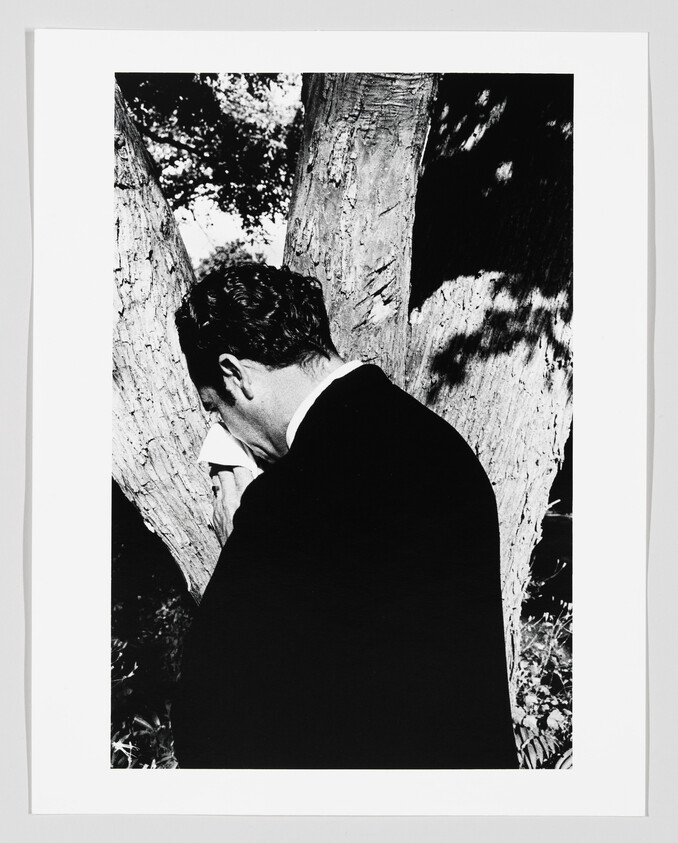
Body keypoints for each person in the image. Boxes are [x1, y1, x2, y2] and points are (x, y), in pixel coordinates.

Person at [171, 263, 518, 769]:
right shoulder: (436, 441)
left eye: (214, 410)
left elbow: (212, 715)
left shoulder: (290, 498)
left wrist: (245, 537)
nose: (225, 430)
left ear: (235, 375)